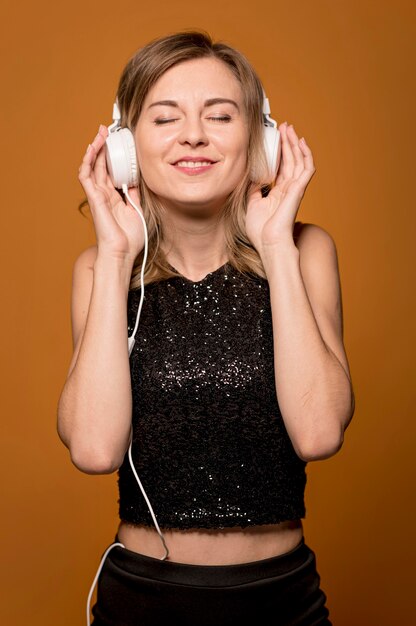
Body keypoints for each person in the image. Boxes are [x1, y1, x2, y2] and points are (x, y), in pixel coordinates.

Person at [57, 29, 354, 626]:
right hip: (139, 602)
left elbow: (319, 433)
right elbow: (93, 449)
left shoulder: (303, 251)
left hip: (283, 601)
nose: (194, 135)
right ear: (125, 147)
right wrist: (116, 256)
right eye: (165, 118)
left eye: (220, 116)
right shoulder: (101, 270)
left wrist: (275, 244)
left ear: (260, 140)